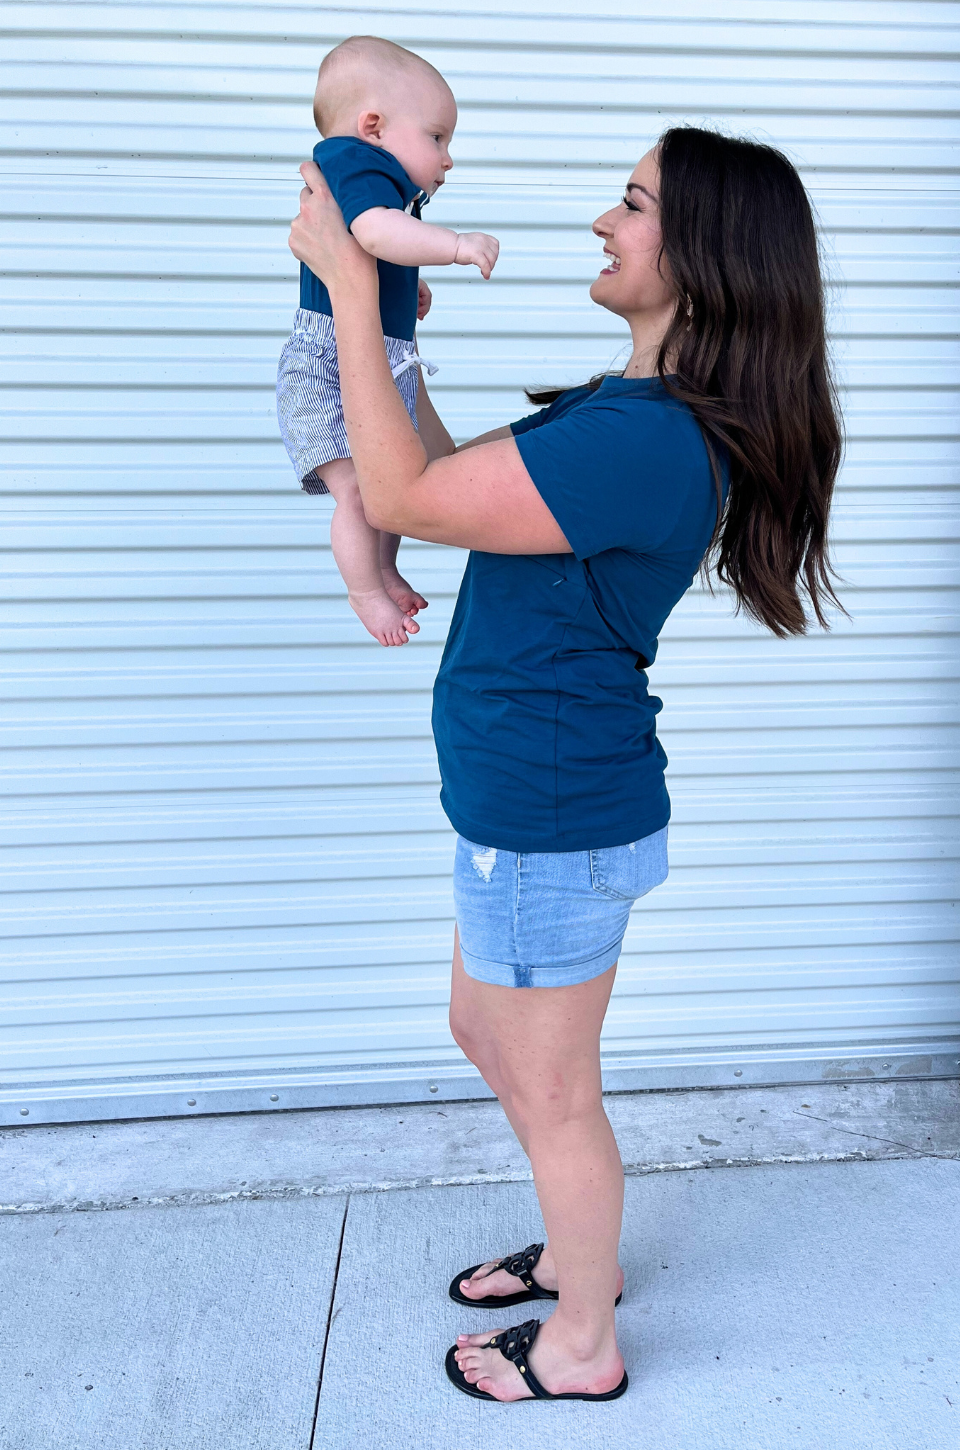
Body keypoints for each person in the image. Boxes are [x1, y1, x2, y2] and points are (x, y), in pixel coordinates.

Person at [287, 125, 842, 1403]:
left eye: (633, 204)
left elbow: (405, 500)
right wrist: (390, 323)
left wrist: (357, 289)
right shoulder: (624, 408)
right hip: (528, 802)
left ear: (700, 259)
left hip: (552, 814)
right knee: (485, 1030)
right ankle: (581, 1245)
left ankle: (583, 1337)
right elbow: (426, 469)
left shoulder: (646, 443)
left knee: (551, 1089)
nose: (604, 221)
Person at [276, 36, 499, 647]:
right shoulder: (355, 160)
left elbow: (376, 248)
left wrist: (409, 287)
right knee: (356, 491)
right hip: (329, 362)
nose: (448, 158)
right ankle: (365, 590)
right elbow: (373, 232)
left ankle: (383, 568)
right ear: (373, 126)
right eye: (437, 137)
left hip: (372, 353)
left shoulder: (382, 179)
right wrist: (454, 247)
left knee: (390, 481)